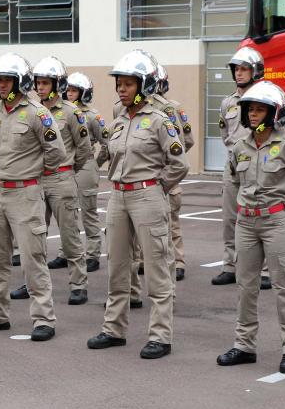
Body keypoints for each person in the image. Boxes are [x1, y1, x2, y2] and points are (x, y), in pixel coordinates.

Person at [86, 50, 188, 359]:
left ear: (144, 86)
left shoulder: (161, 121)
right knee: (117, 266)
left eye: (129, 84)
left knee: (157, 267)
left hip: (147, 196)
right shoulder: (119, 120)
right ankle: (114, 329)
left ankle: (160, 336)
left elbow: (178, 163)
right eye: (120, 84)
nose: (121, 89)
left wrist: (157, 188)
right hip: (118, 196)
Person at [215, 81, 285, 374]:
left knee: (284, 287)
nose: (255, 115)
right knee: (246, 287)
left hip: (276, 222)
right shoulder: (239, 147)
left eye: (261, 109)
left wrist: (283, 197)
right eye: (251, 110)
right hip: (246, 223)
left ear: (275, 113)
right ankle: (244, 345)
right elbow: (234, 181)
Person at [0, 53, 64, 342]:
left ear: (20, 82)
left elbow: (55, 153)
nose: (3, 85)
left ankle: (43, 318)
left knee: (33, 258)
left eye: (8, 80)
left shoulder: (38, 113)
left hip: (25, 192)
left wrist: (30, 174)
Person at [26, 56, 90, 305]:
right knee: (31, 235)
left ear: (57, 85)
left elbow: (84, 148)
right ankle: (31, 283)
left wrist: (70, 168)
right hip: (36, 178)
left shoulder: (71, 112)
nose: (40, 87)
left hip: (61, 178)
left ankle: (78, 284)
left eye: (45, 83)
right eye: (38, 83)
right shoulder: (32, 111)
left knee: (69, 234)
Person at [214, 46, 272, 290]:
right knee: (230, 218)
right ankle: (230, 265)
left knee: (262, 216)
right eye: (236, 69)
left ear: (255, 71)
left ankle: (265, 270)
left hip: (258, 164)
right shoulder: (228, 103)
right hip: (233, 166)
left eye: (244, 69)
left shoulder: (267, 100)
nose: (239, 73)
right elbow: (225, 134)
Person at [151, 63, 194, 282]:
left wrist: (171, 164)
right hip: (148, 179)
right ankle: (144, 261)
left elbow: (186, 140)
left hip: (167, 177)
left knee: (171, 223)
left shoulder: (171, 108)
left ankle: (177, 261)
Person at [66, 71, 108, 273]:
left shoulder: (93, 116)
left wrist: (95, 164)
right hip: (66, 166)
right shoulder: (61, 112)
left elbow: (107, 144)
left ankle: (93, 254)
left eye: (74, 90)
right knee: (67, 212)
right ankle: (65, 252)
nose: (70, 93)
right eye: (68, 90)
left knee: (88, 212)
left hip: (85, 165)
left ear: (84, 93)